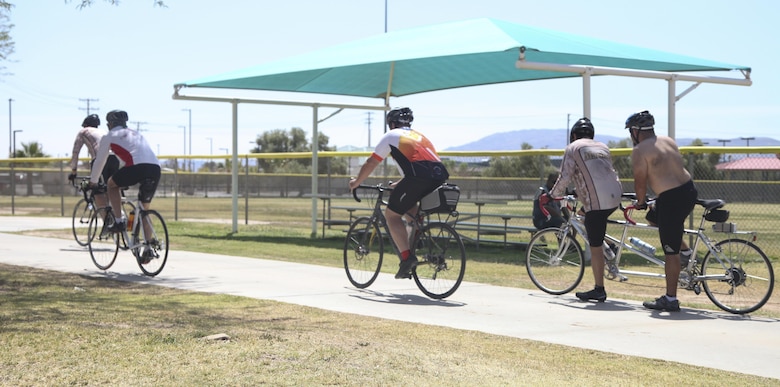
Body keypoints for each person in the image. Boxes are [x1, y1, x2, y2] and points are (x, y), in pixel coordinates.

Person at [348, 107, 449, 279]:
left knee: (392, 216)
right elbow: (423, 165)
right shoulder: (419, 136)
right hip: (439, 177)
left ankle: (406, 258)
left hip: (417, 179)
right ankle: (416, 239)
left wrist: (356, 182)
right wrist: (400, 184)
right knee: (411, 212)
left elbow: (372, 162)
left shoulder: (391, 136)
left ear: (392, 124)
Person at [543, 117, 622, 303]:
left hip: (596, 200)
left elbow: (565, 176)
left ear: (574, 135)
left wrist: (552, 195)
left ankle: (599, 289)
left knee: (594, 244)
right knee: (586, 219)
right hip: (615, 195)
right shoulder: (603, 147)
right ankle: (609, 247)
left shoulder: (573, 147)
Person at [626, 110, 698, 312]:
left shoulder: (639, 150)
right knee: (654, 217)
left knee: (669, 252)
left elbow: (640, 181)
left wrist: (640, 201)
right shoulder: (668, 140)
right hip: (688, 189)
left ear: (635, 131)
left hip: (671, 198)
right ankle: (686, 252)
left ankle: (670, 299)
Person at [89, 110, 162, 262]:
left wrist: (93, 181)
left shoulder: (109, 136)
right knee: (144, 208)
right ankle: (148, 247)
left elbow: (99, 162)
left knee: (111, 184)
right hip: (155, 168)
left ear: (110, 124)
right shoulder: (135, 133)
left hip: (137, 167)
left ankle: (118, 221)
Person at [67, 114, 120, 213]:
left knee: (98, 191)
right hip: (114, 158)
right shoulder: (103, 131)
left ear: (85, 125)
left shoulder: (83, 131)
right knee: (112, 188)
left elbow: (75, 151)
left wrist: (73, 171)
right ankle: (117, 218)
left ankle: (107, 223)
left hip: (100, 159)